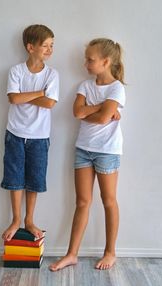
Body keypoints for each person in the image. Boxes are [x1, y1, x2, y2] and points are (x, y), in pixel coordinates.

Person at [49, 38, 125, 271]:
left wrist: (93, 112)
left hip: (107, 151)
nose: (86, 63)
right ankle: (72, 254)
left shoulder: (116, 88)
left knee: (108, 200)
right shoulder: (85, 86)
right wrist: (100, 108)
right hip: (83, 149)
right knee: (82, 202)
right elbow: (77, 112)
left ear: (106, 61)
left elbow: (102, 119)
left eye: (90, 60)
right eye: (86, 59)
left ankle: (110, 252)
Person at [1, 24, 59, 241]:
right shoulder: (16, 71)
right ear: (30, 47)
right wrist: (39, 93)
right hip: (15, 133)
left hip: (40, 137)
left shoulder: (52, 74)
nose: (50, 50)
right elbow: (13, 99)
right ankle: (15, 219)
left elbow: (50, 103)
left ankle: (29, 219)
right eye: (45, 45)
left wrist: (28, 95)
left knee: (34, 179)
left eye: (52, 45)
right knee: (14, 178)